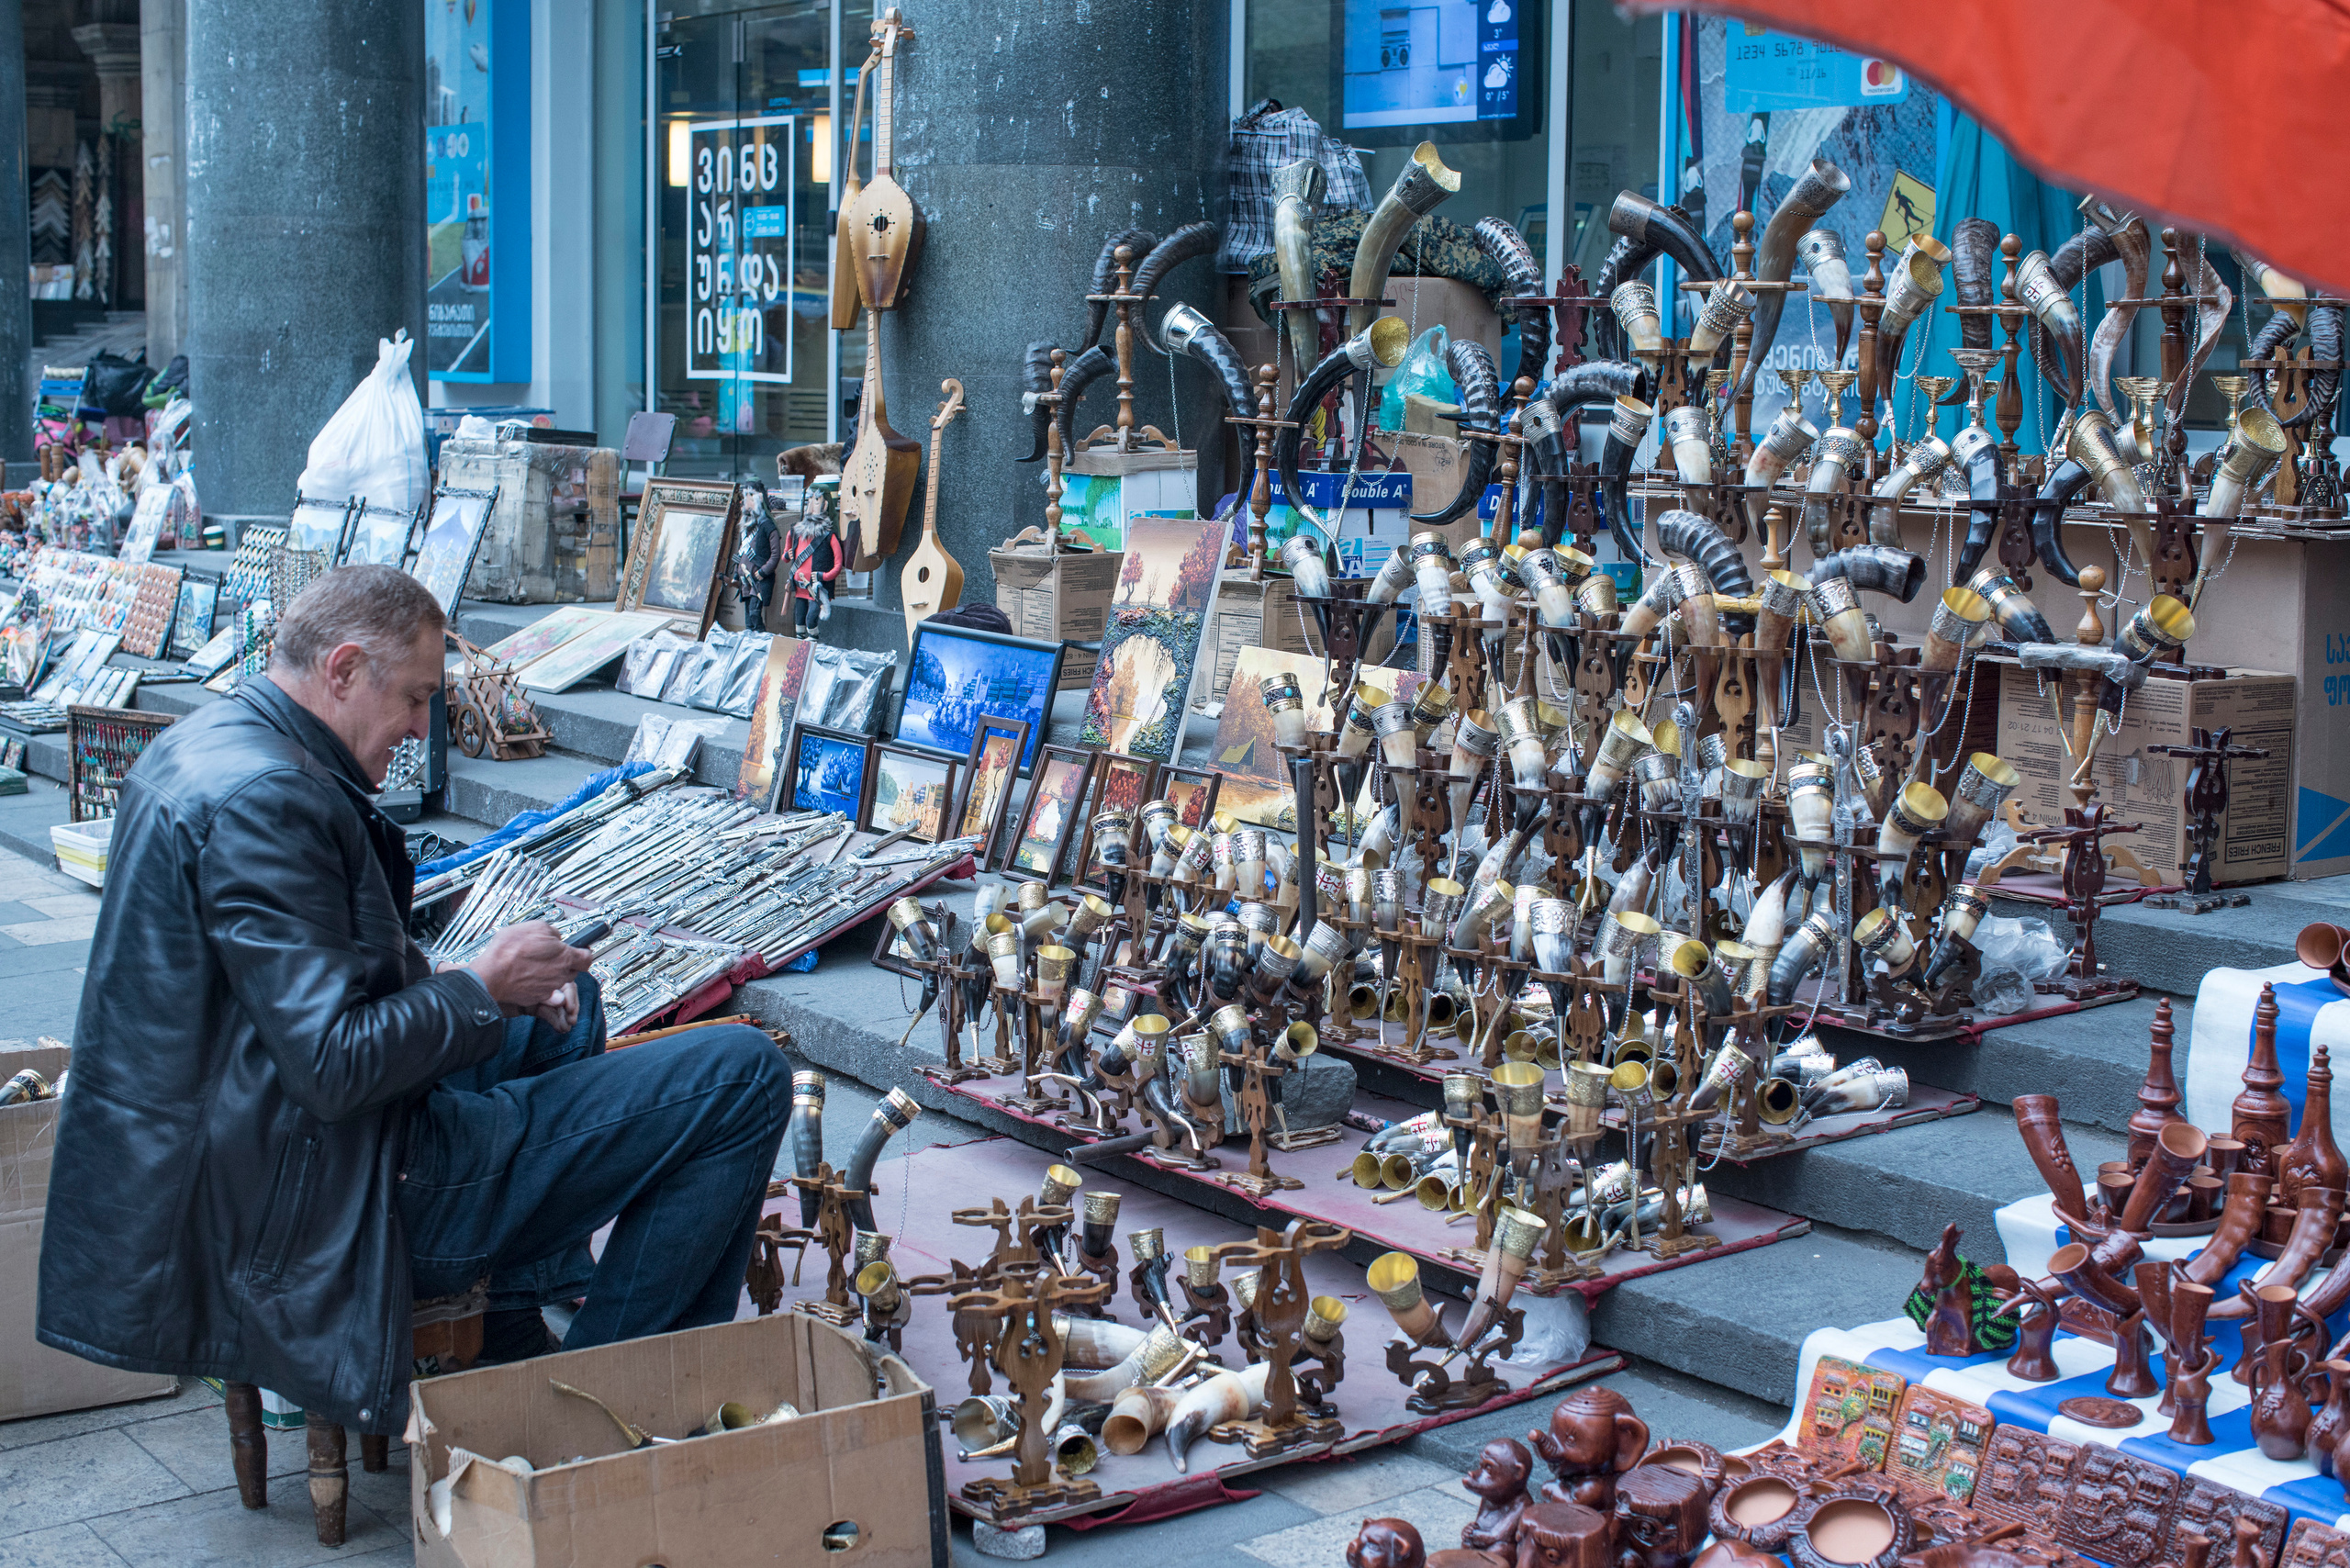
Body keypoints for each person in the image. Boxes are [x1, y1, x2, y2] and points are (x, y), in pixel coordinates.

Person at [39, 565, 792, 1438]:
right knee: (742, 1074)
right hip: (328, 1202)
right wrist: (479, 987)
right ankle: (601, 1409)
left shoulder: (216, 741)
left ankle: (509, 1327)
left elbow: (289, 1002)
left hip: (269, 1156)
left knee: (569, 1001)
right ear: (344, 670)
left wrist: (486, 987)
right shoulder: (270, 801)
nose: (418, 727)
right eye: (415, 697)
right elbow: (333, 1065)